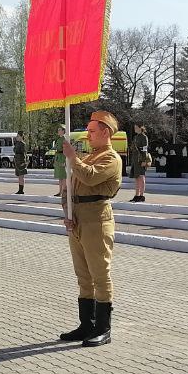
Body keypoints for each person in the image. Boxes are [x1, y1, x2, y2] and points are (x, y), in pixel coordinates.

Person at [58, 111, 123, 347]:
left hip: (96, 219)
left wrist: (74, 158)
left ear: (105, 132)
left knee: (99, 274)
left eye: (92, 130)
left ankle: (103, 328)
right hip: (78, 218)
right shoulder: (89, 156)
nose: (88, 134)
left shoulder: (111, 158)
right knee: (83, 276)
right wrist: (67, 213)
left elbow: (89, 178)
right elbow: (71, 187)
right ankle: (86, 324)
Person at [129, 123, 150, 203]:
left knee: (141, 177)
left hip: (141, 159)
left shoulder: (144, 137)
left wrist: (144, 160)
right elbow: (133, 147)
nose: (135, 129)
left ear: (140, 128)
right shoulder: (135, 137)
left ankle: (141, 195)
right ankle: (136, 195)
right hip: (135, 159)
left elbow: (145, 149)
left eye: (136, 127)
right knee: (136, 178)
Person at [51, 126, 67, 199]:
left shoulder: (64, 139)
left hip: (62, 157)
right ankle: (60, 191)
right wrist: (55, 160)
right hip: (58, 157)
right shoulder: (58, 139)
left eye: (59, 130)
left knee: (63, 177)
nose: (58, 131)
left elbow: (65, 150)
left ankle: (64, 192)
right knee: (60, 177)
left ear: (63, 131)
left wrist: (64, 161)